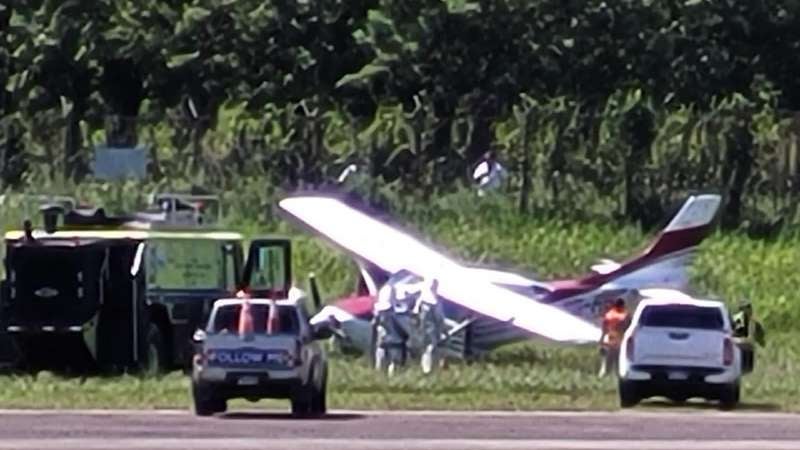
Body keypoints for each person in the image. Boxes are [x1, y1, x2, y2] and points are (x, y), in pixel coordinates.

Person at [598, 298, 629, 377]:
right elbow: (626, 328)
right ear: (622, 306)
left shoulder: (608, 315)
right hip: (620, 342)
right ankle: (619, 376)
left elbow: (604, 329)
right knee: (619, 362)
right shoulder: (624, 316)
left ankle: (604, 376)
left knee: (607, 362)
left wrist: (601, 341)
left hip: (610, 341)